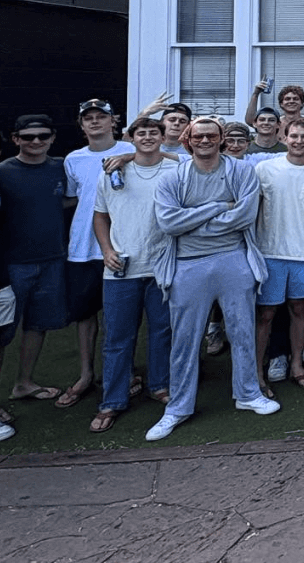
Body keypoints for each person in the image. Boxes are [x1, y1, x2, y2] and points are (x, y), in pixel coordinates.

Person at [148, 116, 275, 441]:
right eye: (198, 136)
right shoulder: (172, 178)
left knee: (242, 330)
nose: (205, 141)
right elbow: (169, 223)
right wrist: (217, 206)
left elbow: (244, 215)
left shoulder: (242, 172)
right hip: (187, 265)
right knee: (185, 338)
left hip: (234, 259)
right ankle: (178, 407)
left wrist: (193, 222)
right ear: (188, 140)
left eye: (211, 136)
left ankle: (248, 394)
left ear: (221, 140)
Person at [88, 115, 176, 433]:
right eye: (142, 133)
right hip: (121, 268)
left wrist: (127, 155)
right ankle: (112, 400)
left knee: (162, 331)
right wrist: (106, 250)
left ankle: (160, 385)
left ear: (163, 137)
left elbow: (194, 160)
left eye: (154, 133)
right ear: (131, 137)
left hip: (162, 266)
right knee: (117, 338)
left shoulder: (175, 169)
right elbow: (100, 216)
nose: (148, 137)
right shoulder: (112, 173)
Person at [61, 99, 136, 409]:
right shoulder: (73, 159)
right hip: (83, 248)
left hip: (121, 244)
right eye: (88, 118)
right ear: (81, 125)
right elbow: (72, 197)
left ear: (113, 121)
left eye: (101, 117)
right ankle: (86, 373)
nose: (94, 122)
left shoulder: (131, 150)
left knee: (120, 316)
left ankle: (123, 373)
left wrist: (130, 156)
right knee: (85, 315)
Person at [252, 118, 304, 395]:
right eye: (294, 136)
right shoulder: (265, 169)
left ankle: (297, 365)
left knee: (299, 309)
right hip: (269, 254)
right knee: (266, 314)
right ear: (284, 137)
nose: (299, 141)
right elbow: (252, 211)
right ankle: (257, 373)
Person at [1, 114, 71, 405]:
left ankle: (24, 383)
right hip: (12, 265)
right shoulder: (4, 171)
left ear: (52, 138)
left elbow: (69, 198)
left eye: (43, 136)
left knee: (38, 325)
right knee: (2, 331)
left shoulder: (61, 167)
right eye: (28, 137)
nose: (36, 141)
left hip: (53, 260)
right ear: (16, 139)